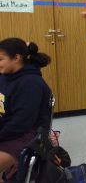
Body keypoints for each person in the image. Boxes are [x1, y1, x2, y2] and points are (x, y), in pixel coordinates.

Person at [0, 38, 52, 180]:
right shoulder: (6, 76)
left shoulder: (30, 83)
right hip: (8, 129)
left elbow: (22, 123)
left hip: (26, 136)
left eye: (0, 59)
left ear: (16, 58)